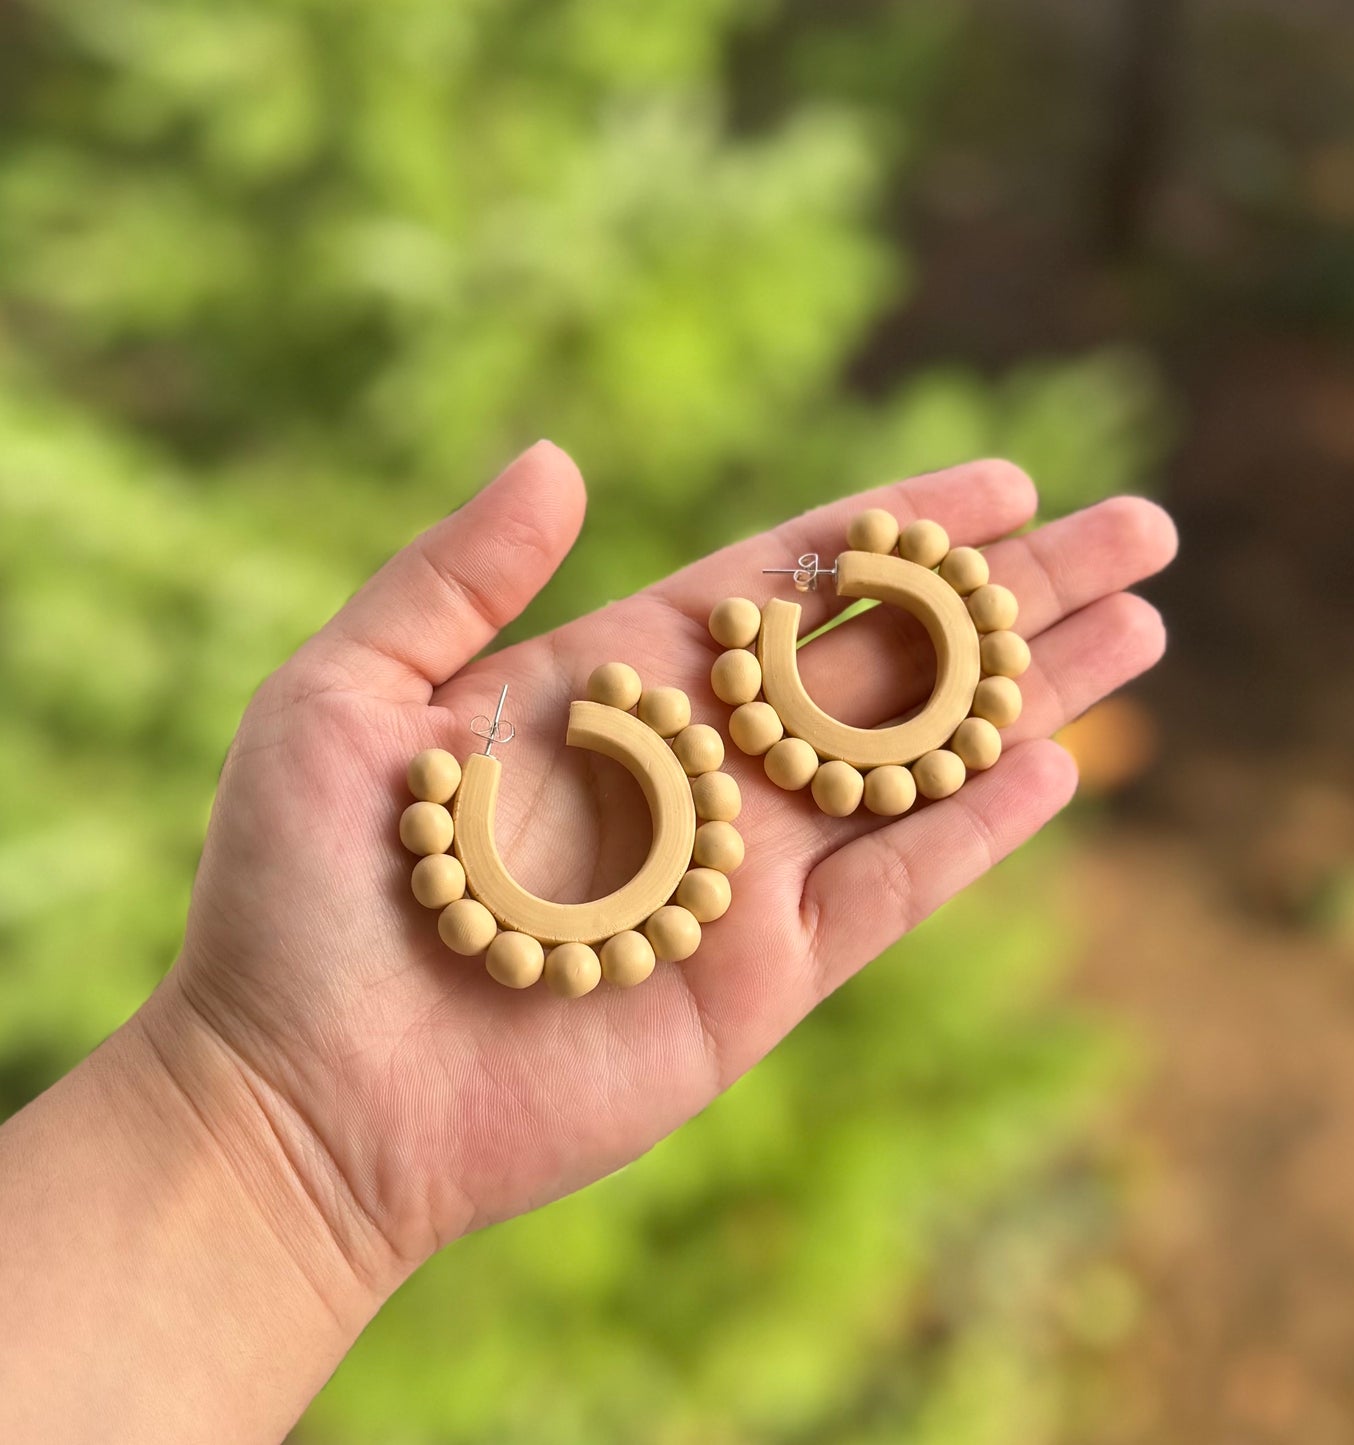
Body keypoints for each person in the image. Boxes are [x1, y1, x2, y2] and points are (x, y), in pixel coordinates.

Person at [0, 443, 1176, 1443]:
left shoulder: (745, 693)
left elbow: (790, 597)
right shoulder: (645, 736)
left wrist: (272, 1148)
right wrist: (272, 1117)